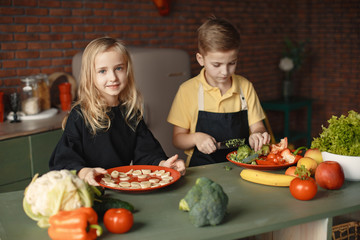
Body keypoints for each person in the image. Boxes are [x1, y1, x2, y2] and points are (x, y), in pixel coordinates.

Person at [50, 37, 186, 185]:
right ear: (90, 76)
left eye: (118, 68)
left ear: (127, 70)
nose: (113, 77)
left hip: (120, 187)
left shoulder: (131, 113)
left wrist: (163, 165)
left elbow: (147, 153)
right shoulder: (80, 115)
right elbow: (63, 160)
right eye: (102, 71)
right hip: (89, 189)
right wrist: (85, 172)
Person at [167, 17, 270, 167]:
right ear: (201, 59)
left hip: (242, 166)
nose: (225, 71)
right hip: (202, 169)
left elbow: (258, 127)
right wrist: (195, 138)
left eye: (232, 63)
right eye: (217, 64)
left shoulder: (245, 87)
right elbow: (177, 139)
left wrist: (257, 135)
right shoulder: (187, 91)